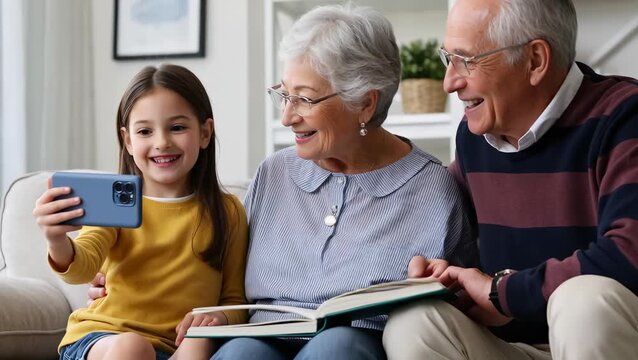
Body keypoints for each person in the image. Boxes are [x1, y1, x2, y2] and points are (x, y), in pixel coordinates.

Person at [208, 4, 477, 359]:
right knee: (241, 353)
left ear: (365, 103)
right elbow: (218, 274)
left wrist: (445, 285)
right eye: (284, 94)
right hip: (261, 338)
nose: (288, 116)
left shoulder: (430, 187)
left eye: (304, 98)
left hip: (357, 346)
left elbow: (462, 307)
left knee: (335, 348)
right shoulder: (273, 174)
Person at [382, 0, 638, 359]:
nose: (449, 82)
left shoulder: (625, 115)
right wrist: (448, 279)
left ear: (535, 60)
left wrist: (503, 291)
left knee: (583, 302)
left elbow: (628, 256)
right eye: (448, 58)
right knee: (413, 324)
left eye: (466, 60)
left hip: (613, 340)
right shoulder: (473, 137)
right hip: (519, 345)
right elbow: (465, 268)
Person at [32, 64, 249, 360]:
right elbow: (83, 266)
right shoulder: (116, 201)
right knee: (132, 347)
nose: (162, 142)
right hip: (104, 338)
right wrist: (56, 239)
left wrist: (219, 319)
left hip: (174, 347)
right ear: (129, 141)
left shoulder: (229, 212)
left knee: (201, 342)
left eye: (177, 127)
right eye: (145, 131)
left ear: (205, 133)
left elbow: (235, 302)